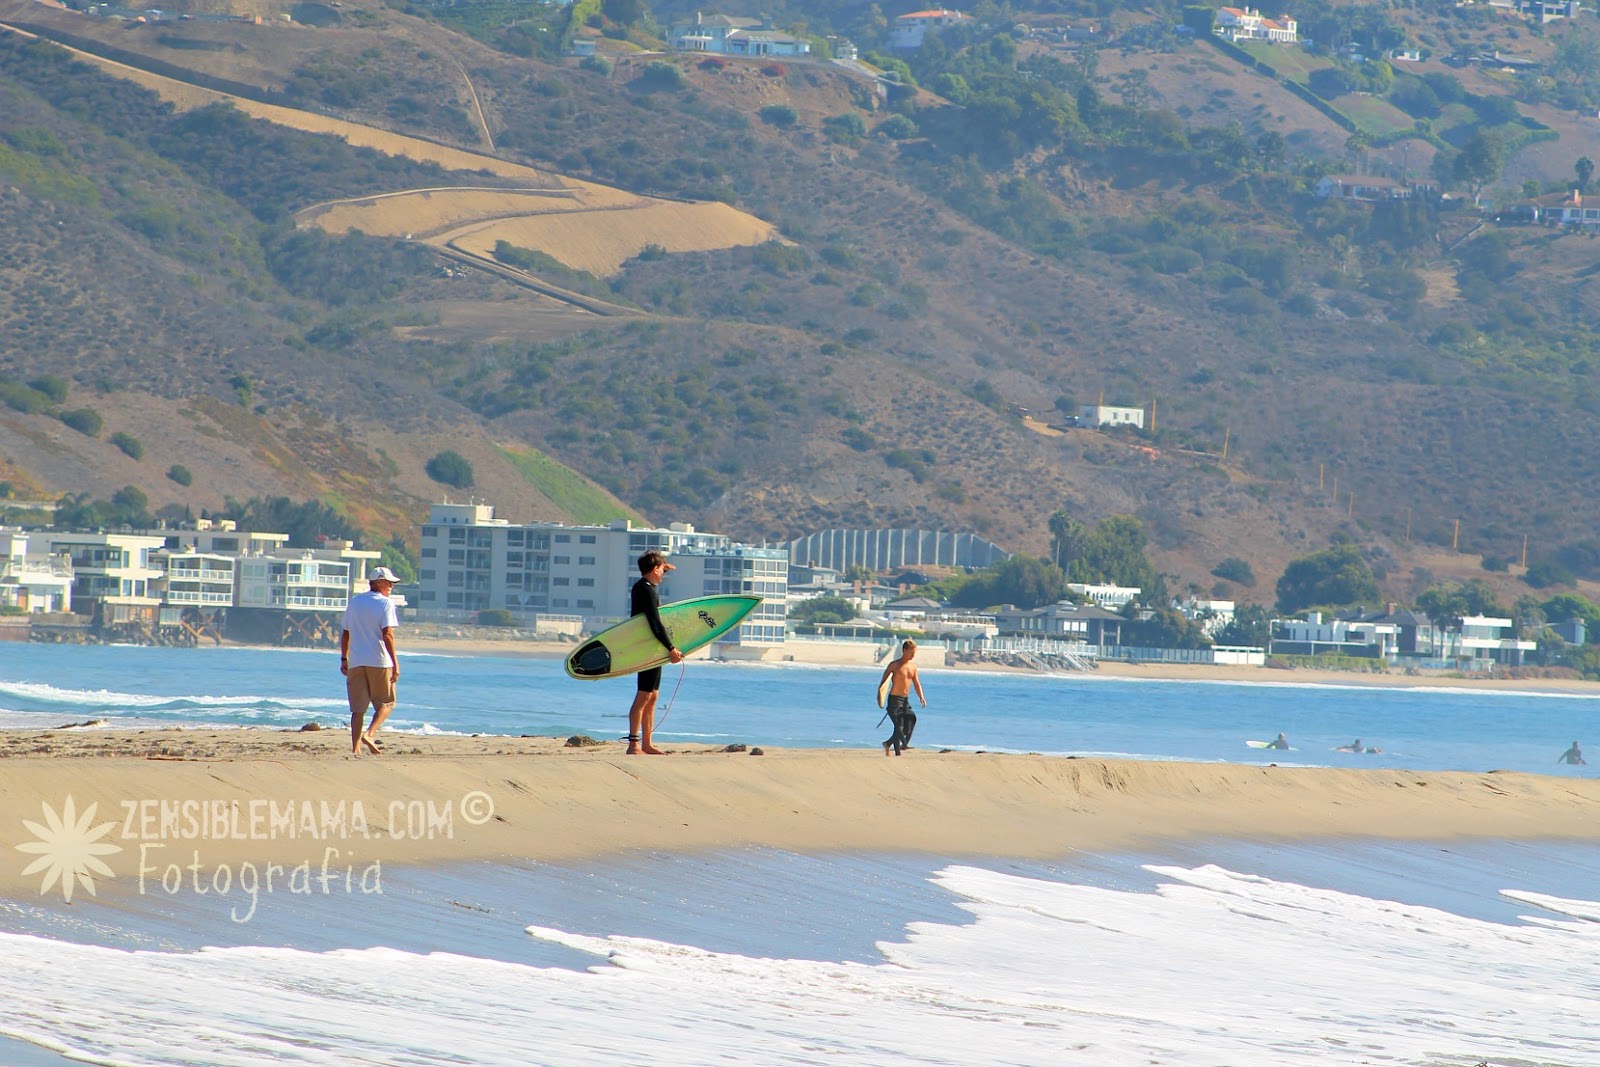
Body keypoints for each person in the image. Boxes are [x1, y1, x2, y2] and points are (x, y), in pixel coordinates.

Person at [626, 550, 683, 755]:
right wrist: (671, 648)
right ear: (653, 570)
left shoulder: (645, 586)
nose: (663, 574)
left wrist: (662, 565)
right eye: (661, 570)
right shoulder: (645, 590)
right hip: (647, 647)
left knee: (653, 696)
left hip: (652, 647)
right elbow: (654, 623)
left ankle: (647, 743)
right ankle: (633, 744)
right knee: (644, 695)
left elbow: (654, 570)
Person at [340, 566, 400, 757]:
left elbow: (346, 632)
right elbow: (388, 634)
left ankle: (356, 749)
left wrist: (344, 658)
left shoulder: (355, 602)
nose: (391, 586)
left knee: (358, 709)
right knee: (387, 703)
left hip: (356, 661)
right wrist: (396, 663)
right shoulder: (385, 603)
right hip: (379, 661)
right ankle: (370, 734)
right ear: (378, 582)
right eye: (388, 582)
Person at [877, 639, 927, 757]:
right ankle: (902, 747)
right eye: (911, 652)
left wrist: (921, 697)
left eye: (914, 652)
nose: (913, 655)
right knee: (899, 726)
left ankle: (888, 744)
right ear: (904, 650)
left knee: (910, 721)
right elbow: (883, 683)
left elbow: (916, 683)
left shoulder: (913, 667)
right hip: (894, 700)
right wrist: (880, 697)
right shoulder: (894, 665)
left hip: (905, 700)